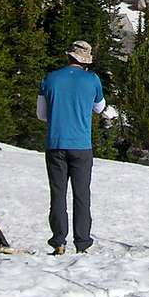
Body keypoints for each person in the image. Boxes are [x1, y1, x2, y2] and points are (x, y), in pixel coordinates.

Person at [37, 40, 106, 255]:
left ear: (69, 57)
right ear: (86, 61)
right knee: (81, 195)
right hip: (82, 145)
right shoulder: (92, 80)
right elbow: (99, 107)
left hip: (56, 143)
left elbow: (41, 114)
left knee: (58, 194)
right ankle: (82, 242)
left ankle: (59, 240)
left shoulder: (50, 79)